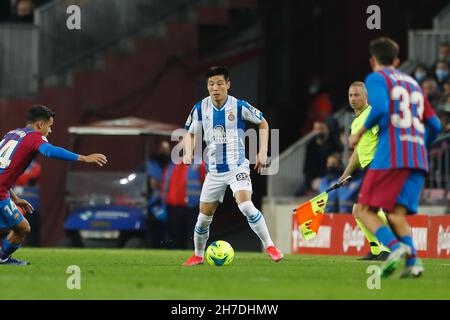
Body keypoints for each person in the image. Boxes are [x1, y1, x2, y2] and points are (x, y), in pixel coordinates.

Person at [349, 37, 442, 278]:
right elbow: (435, 124)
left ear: (373, 60)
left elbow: (379, 109)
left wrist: (359, 133)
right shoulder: (413, 83)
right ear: (398, 60)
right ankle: (414, 263)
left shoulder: (377, 78)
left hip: (391, 156)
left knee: (363, 210)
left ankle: (394, 247)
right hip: (417, 158)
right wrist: (418, 144)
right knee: (395, 214)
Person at [182, 66, 283, 266]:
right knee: (203, 217)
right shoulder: (200, 108)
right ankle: (198, 255)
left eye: (219, 83)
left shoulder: (239, 106)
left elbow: (263, 123)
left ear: (228, 84)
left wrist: (262, 151)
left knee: (245, 204)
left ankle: (270, 246)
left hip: (237, 167)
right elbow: (191, 132)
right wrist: (188, 150)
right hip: (214, 172)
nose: (215, 88)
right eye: (211, 84)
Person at [0, 105, 107, 265]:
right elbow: (50, 151)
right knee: (22, 229)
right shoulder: (35, 136)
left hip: (3, 191)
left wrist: (14, 197)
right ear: (40, 125)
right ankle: (3, 258)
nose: (50, 131)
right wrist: (84, 158)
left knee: (22, 228)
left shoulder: (12, 134)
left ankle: (3, 258)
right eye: (49, 126)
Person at [339, 81, 390, 261]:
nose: (353, 99)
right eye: (351, 95)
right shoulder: (356, 123)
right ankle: (376, 249)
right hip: (368, 169)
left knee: (366, 210)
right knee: (358, 211)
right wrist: (345, 174)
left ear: (365, 96)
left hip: (379, 166)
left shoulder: (371, 116)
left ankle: (392, 246)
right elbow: (357, 153)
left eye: (357, 95)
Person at [162, 140, 206, 249]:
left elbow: (206, 184)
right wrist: (162, 206)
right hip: (173, 208)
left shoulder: (199, 165)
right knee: (175, 237)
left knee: (193, 236)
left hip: (192, 207)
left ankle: (197, 255)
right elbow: (165, 186)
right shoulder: (172, 165)